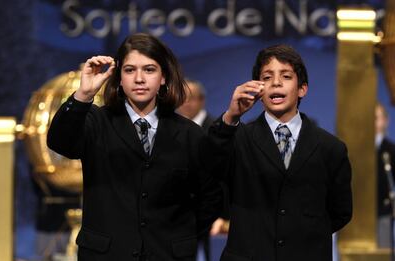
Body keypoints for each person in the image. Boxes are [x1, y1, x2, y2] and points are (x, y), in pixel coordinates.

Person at [47, 33, 222, 261]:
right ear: (119, 77)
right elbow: (60, 142)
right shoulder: (97, 122)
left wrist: (180, 236)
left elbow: (210, 197)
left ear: (163, 77)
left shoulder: (190, 133)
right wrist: (84, 95)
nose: (139, 78)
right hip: (107, 255)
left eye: (149, 70)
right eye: (130, 70)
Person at [205, 44, 352, 261]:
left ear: (302, 88)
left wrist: (304, 235)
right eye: (267, 77)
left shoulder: (330, 148)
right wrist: (230, 117)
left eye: (286, 76)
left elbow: (340, 212)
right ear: (257, 88)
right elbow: (209, 170)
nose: (275, 82)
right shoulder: (236, 138)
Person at [177, 79, 228, 261]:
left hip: (210, 216)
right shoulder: (169, 129)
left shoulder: (218, 130)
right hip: (178, 216)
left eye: (190, 98)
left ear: (202, 100)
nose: (185, 103)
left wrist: (222, 216)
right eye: (181, 98)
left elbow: (225, 176)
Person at [375, 102, 395, 248]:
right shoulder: (355, 150)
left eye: (377, 117)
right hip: (358, 212)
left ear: (385, 121)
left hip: (383, 211)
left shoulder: (391, 150)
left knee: (383, 250)